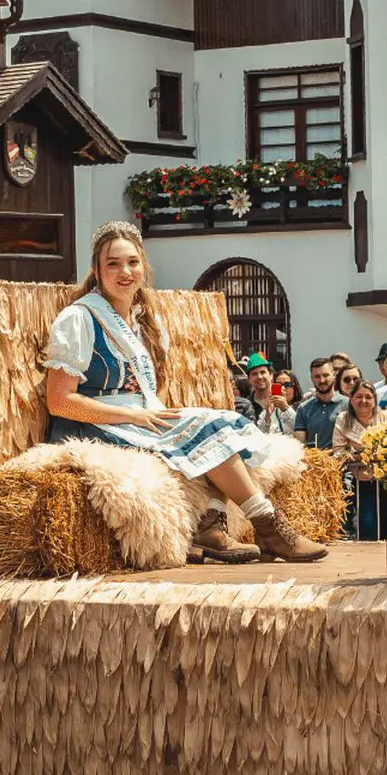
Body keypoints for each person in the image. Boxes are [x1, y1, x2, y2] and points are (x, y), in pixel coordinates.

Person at [44, 221, 326, 562]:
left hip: (137, 416)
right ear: (96, 271)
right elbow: (60, 402)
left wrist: (144, 413)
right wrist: (132, 414)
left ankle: (213, 525)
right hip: (94, 423)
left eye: (132, 262)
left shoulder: (141, 320)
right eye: (113, 264)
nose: (125, 272)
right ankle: (271, 528)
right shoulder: (79, 318)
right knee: (206, 427)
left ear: (144, 266)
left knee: (220, 421)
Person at [331, 382, 387, 540]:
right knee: (367, 522)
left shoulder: (385, 417)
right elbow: (338, 452)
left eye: (368, 397)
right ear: (351, 399)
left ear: (375, 400)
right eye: (358, 396)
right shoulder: (343, 419)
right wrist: (363, 457)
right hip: (358, 480)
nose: (363, 400)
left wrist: (357, 454)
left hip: (385, 480)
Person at [241, 354, 295, 437]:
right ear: (249, 379)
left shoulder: (287, 398)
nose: (259, 377)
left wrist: (286, 408)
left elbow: (299, 427)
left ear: (271, 375)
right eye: (254, 374)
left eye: (263, 372)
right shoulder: (246, 406)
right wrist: (267, 417)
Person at [294, 359, 343, 449]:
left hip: (342, 460)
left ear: (334, 375)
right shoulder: (303, 408)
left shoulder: (347, 405)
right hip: (313, 460)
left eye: (325, 375)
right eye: (317, 376)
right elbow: (299, 445)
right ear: (311, 378)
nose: (322, 380)